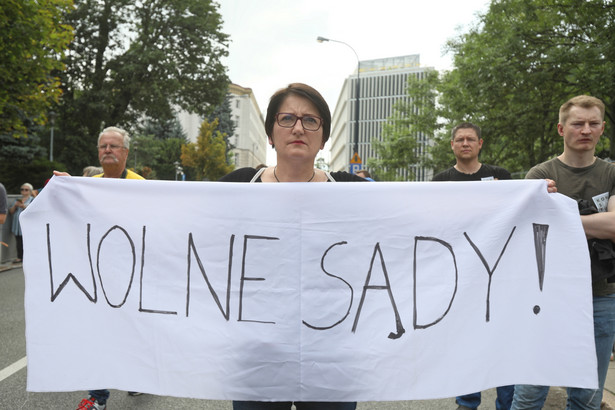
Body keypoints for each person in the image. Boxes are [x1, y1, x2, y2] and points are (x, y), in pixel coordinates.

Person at [220, 83, 364, 410]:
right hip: (258, 354)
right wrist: (78, 196)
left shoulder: (352, 190)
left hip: (331, 356)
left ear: (324, 137)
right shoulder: (239, 185)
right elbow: (175, 219)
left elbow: (413, 216)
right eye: (287, 118)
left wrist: (499, 201)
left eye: (310, 120)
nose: (298, 127)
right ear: (271, 134)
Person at [510, 95, 615, 410]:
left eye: (593, 123)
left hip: (601, 295)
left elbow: (613, 226)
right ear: (561, 128)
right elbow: (527, 232)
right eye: (577, 123)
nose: (586, 129)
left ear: (602, 128)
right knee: (529, 394)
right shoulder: (539, 174)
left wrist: (559, 216)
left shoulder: (611, 173)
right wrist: (590, 222)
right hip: (545, 296)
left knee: (587, 398)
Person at [432, 122, 514, 410]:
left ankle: (509, 403)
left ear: (480, 144)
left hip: (498, 272)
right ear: (452, 145)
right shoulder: (440, 180)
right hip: (461, 276)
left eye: (470, 139)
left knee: (503, 341)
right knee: (465, 341)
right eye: (459, 139)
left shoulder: (501, 177)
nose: (465, 143)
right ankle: (467, 403)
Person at [64, 127, 144, 410]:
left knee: (131, 331)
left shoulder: (142, 185)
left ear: (125, 152)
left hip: (132, 277)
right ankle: (98, 397)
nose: (107, 150)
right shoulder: (88, 186)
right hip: (97, 276)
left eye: (114, 146)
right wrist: (62, 186)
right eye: (103, 146)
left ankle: (136, 375)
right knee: (99, 333)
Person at [8, 183, 34, 263]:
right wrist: (15, 206)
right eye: (22, 189)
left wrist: (24, 206)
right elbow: (11, 211)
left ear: (30, 191)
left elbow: (32, 211)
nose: (24, 191)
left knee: (26, 242)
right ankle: (19, 257)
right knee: (18, 241)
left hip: (26, 225)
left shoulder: (32, 199)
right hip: (17, 224)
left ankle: (27, 257)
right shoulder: (17, 200)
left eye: (26, 190)